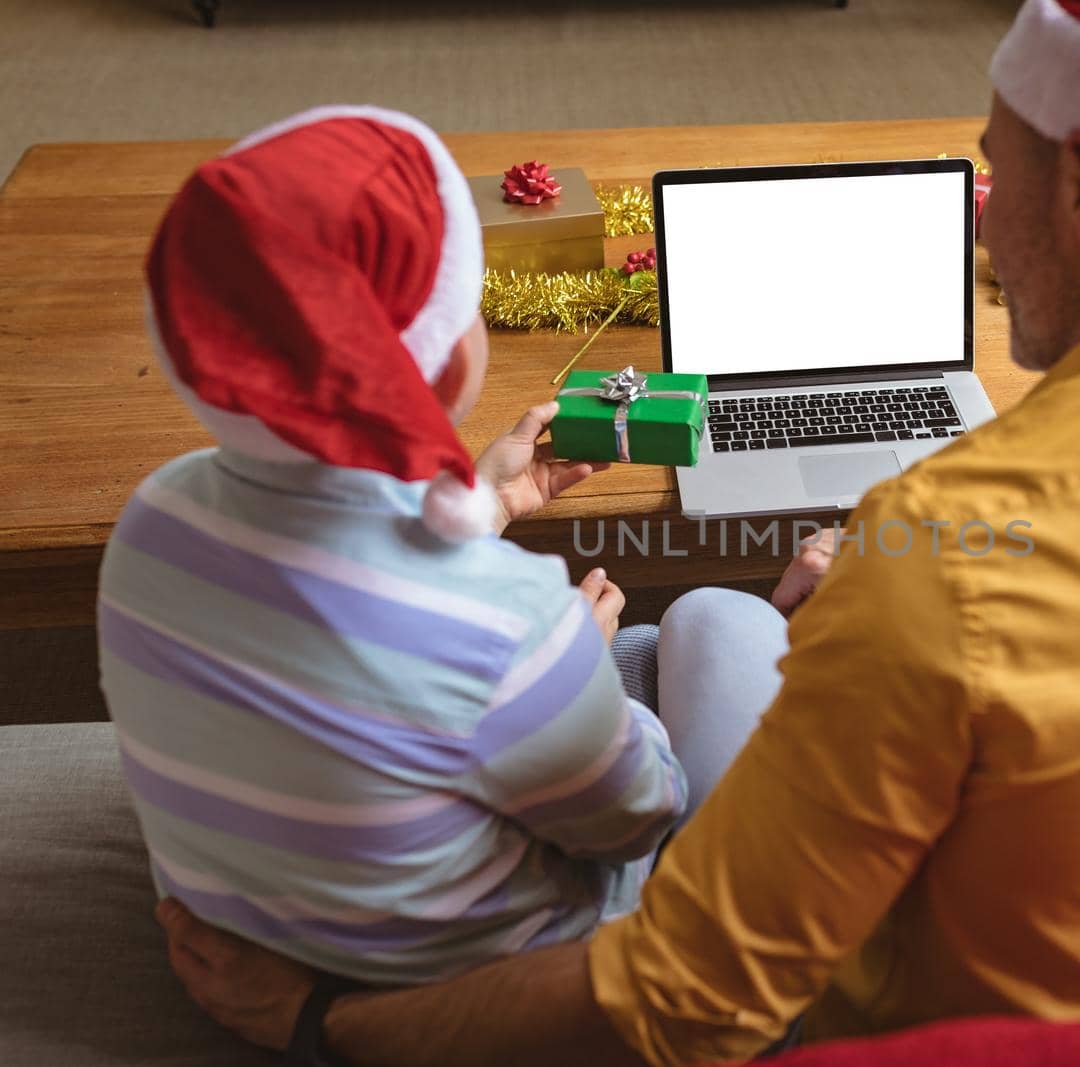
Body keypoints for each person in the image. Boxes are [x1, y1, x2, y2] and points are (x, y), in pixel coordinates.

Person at [157, 3, 1080, 1065]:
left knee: (699, 628)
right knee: (728, 615)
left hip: (920, 1033)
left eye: (997, 172)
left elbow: (678, 1003)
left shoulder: (943, 550)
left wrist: (327, 1019)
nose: (983, 222)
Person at [100, 105, 705, 986]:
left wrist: (485, 503)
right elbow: (638, 818)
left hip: (250, 938)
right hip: (471, 985)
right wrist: (579, 662)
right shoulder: (512, 621)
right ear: (450, 358)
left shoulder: (155, 515)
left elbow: (360, 588)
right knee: (692, 640)